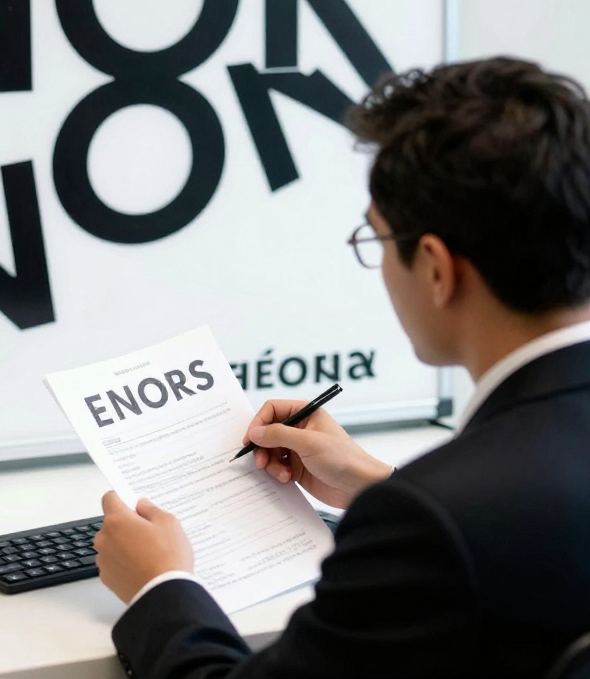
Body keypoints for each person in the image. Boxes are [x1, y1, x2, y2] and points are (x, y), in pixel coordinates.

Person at [94, 57, 590, 678]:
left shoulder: (428, 523)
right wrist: (374, 482)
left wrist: (159, 589)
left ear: (436, 268)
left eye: (375, 239)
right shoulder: (461, 505)